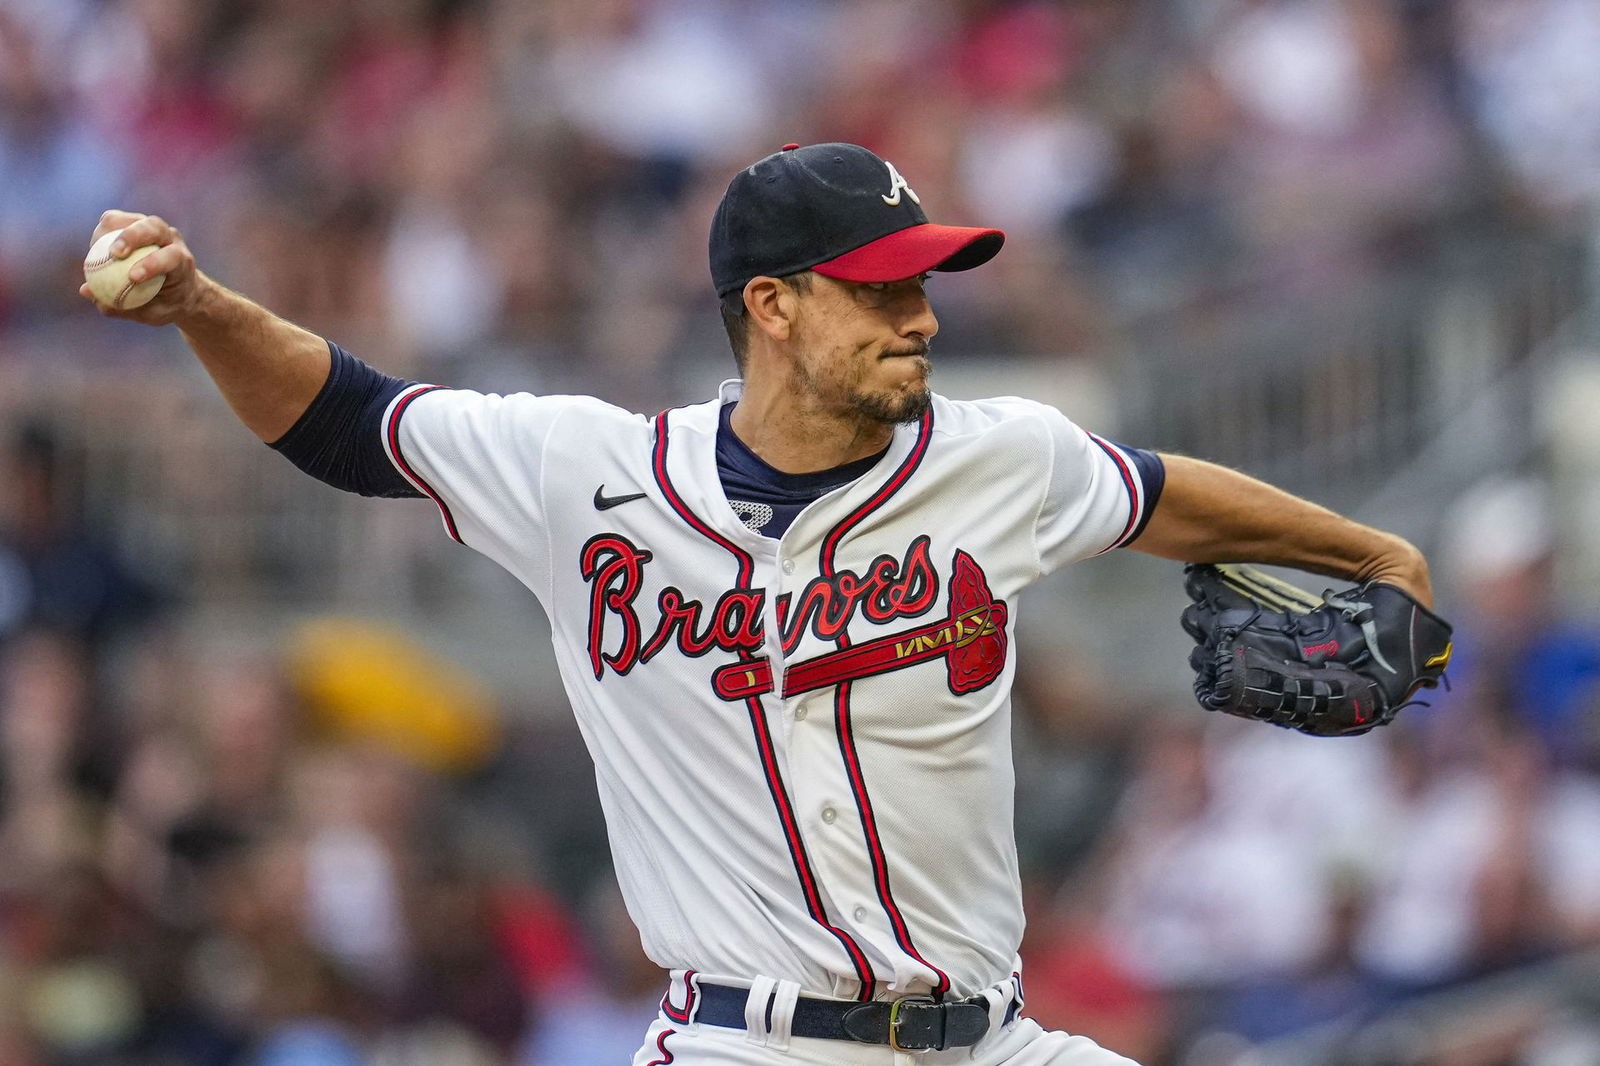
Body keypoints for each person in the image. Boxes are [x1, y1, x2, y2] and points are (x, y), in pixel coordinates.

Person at [82, 142, 1435, 1065]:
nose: (922, 314)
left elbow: (1164, 496)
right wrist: (203, 303)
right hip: (748, 1037)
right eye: (884, 285)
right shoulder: (589, 475)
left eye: (926, 281)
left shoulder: (995, 459)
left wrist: (1376, 551)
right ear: (775, 307)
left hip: (994, 1035)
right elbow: (346, 420)